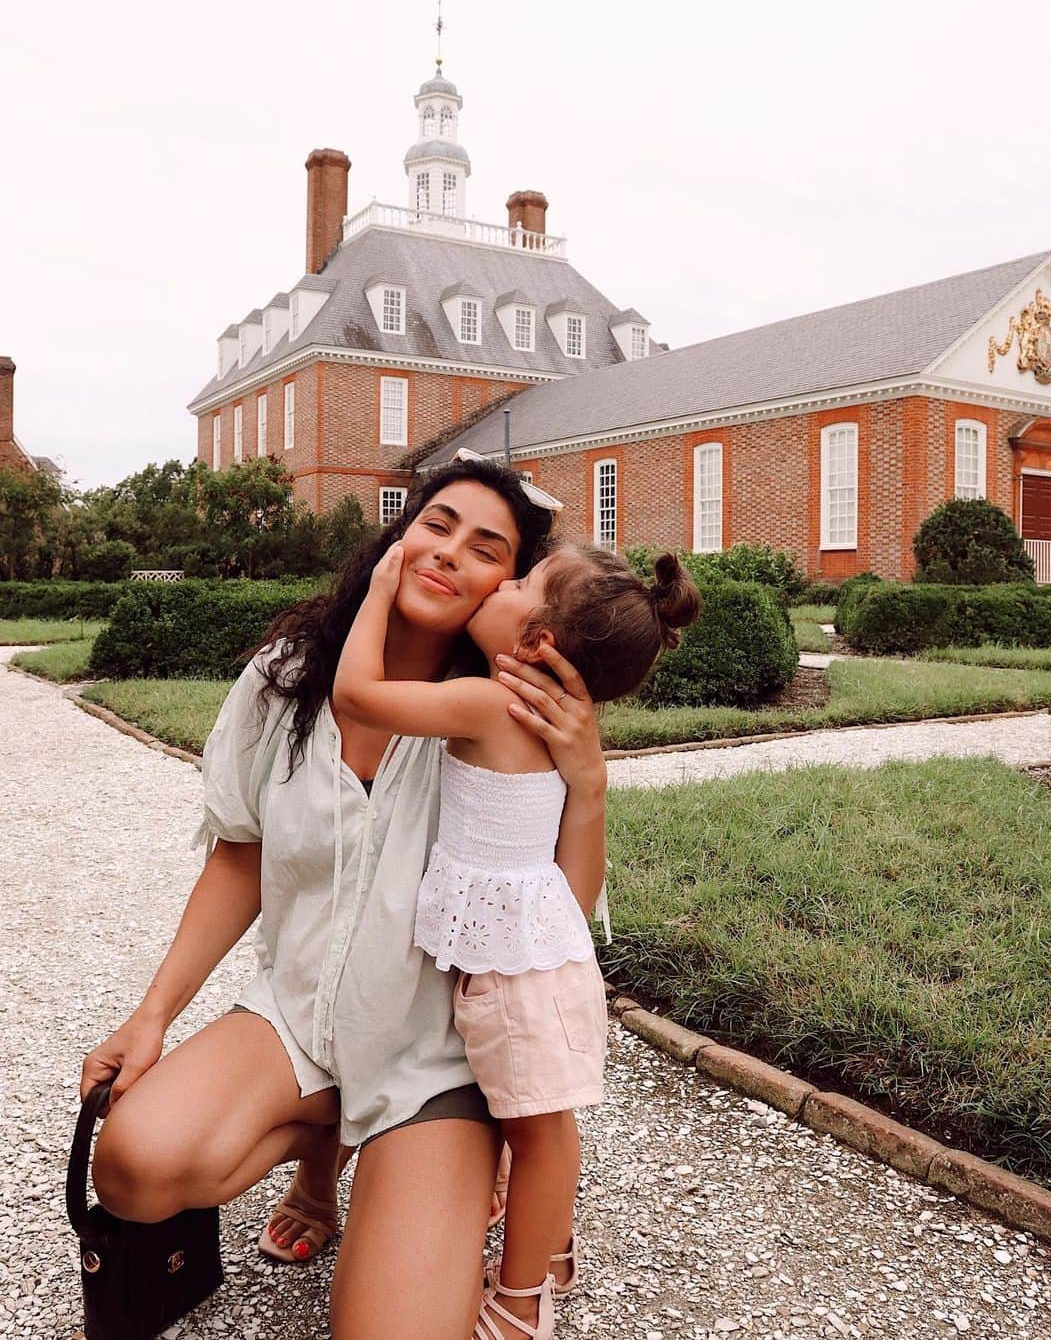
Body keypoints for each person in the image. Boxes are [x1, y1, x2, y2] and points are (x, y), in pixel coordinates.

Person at [79, 459, 609, 1339]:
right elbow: (239, 857)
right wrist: (150, 1017)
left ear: (508, 593)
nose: (448, 554)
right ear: (398, 538)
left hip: (433, 1066)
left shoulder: (509, 713)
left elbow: (556, 917)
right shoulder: (286, 676)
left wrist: (586, 786)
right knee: (133, 1165)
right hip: (294, 1021)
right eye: (436, 525)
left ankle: (443, 1175)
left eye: (487, 549)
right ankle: (323, 1153)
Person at [332, 540, 702, 1339]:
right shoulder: (533, 711)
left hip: (520, 980)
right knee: (534, 1128)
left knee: (541, 1137)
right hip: (531, 963)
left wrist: (378, 589)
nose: (502, 580)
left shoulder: (486, 702)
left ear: (537, 642)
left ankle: (523, 1298)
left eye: (523, 581)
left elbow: (357, 696)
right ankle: (552, 1245)